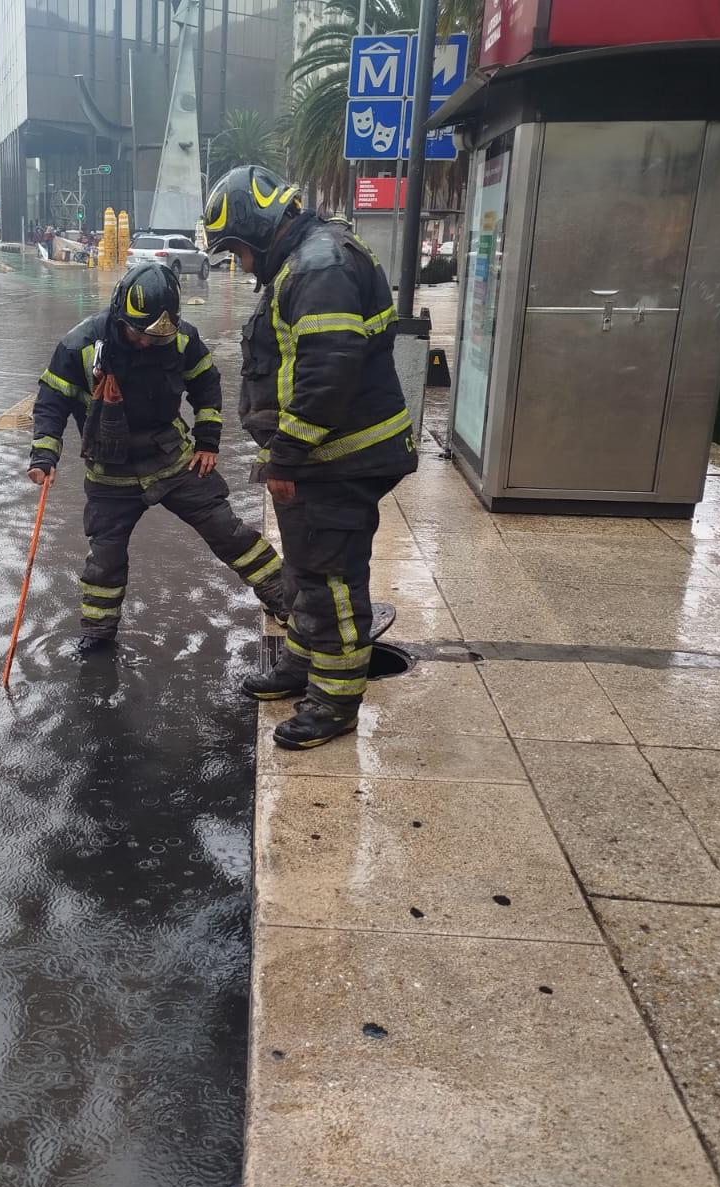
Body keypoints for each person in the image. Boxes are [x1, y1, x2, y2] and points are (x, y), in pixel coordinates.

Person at [202, 164, 418, 750]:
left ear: (263, 226)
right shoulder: (308, 260)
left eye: (239, 250)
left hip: (337, 459)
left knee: (333, 582)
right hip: (324, 456)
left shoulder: (319, 266)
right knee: (304, 571)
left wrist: (288, 459)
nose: (240, 264)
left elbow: (326, 373)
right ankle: (301, 667)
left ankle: (334, 703)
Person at [27, 261, 286, 650]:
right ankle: (97, 637)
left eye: (155, 335)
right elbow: (51, 401)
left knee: (227, 531)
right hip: (109, 472)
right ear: (120, 314)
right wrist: (44, 455)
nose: (147, 342)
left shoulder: (181, 339)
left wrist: (208, 441)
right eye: (139, 333)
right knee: (105, 561)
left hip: (172, 459)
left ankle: (284, 597)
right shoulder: (79, 346)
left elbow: (207, 384)